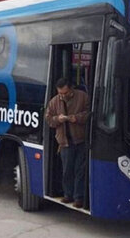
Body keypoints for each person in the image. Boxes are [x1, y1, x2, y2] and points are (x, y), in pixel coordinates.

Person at [45, 77, 89, 209]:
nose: (62, 96)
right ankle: (68, 194)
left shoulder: (83, 97)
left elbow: (89, 113)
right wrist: (58, 119)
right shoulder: (54, 101)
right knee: (67, 171)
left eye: (65, 93)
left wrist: (76, 118)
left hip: (80, 140)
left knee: (80, 170)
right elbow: (48, 120)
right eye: (60, 93)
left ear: (71, 89)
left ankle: (78, 197)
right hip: (64, 142)